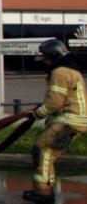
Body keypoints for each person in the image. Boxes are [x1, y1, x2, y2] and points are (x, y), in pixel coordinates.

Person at [23, 39, 87, 203]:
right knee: (45, 152)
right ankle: (44, 190)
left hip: (67, 121)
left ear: (53, 56)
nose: (44, 60)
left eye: (45, 57)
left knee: (44, 152)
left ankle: (44, 193)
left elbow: (55, 102)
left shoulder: (59, 72)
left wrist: (37, 114)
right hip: (73, 121)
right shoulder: (71, 70)